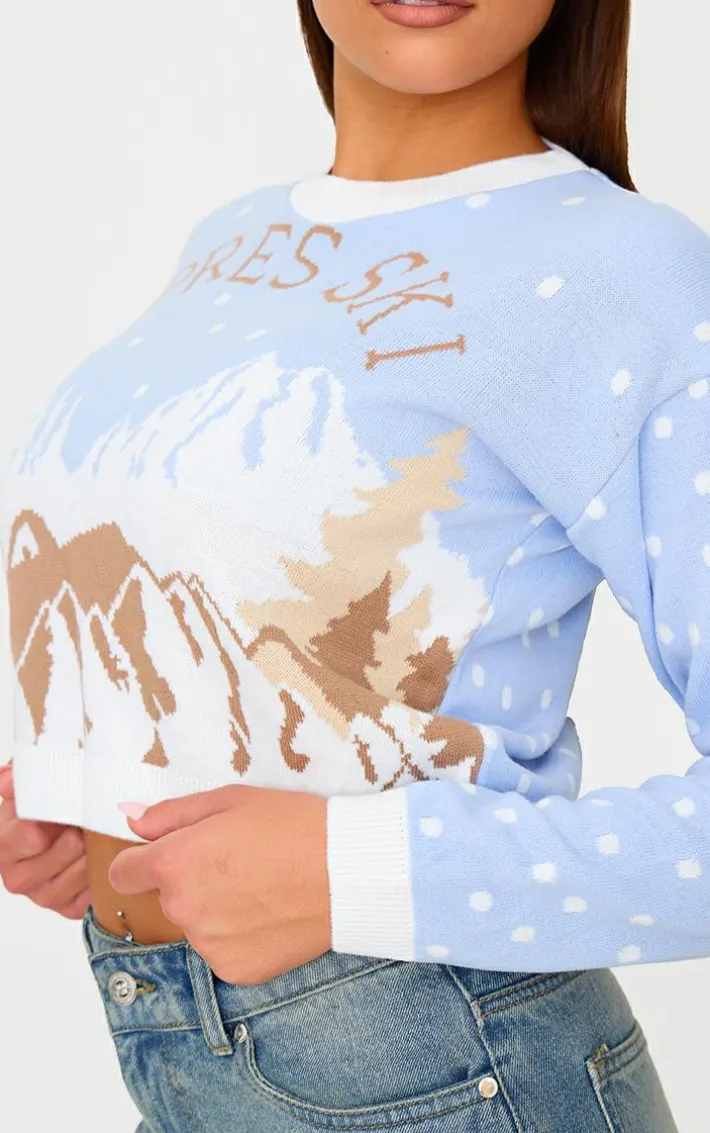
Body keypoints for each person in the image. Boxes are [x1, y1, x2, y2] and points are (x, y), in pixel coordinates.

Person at [0, 0, 706, 1128]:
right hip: (182, 1054)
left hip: (439, 1068)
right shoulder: (230, 238)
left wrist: (356, 870)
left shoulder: (626, 271)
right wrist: (87, 803)